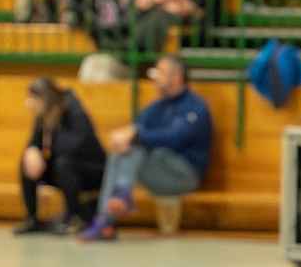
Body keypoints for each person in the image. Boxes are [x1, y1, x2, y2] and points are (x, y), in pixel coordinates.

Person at [80, 54, 212, 242]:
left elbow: (175, 138)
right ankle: (106, 219)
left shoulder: (195, 107)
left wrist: (136, 136)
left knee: (137, 147)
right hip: (155, 169)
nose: (155, 76)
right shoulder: (157, 107)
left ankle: (119, 199)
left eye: (160, 72)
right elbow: (136, 128)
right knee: (121, 151)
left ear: (176, 77)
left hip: (185, 174)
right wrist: (123, 137)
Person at [16, 77, 106, 235]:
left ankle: (73, 217)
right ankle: (32, 218)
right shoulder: (43, 114)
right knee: (27, 162)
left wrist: (46, 150)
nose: (28, 103)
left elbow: (78, 143)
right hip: (66, 167)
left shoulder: (73, 109)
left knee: (63, 163)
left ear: (43, 99)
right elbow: (35, 142)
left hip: (91, 170)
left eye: (32, 98)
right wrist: (32, 150)